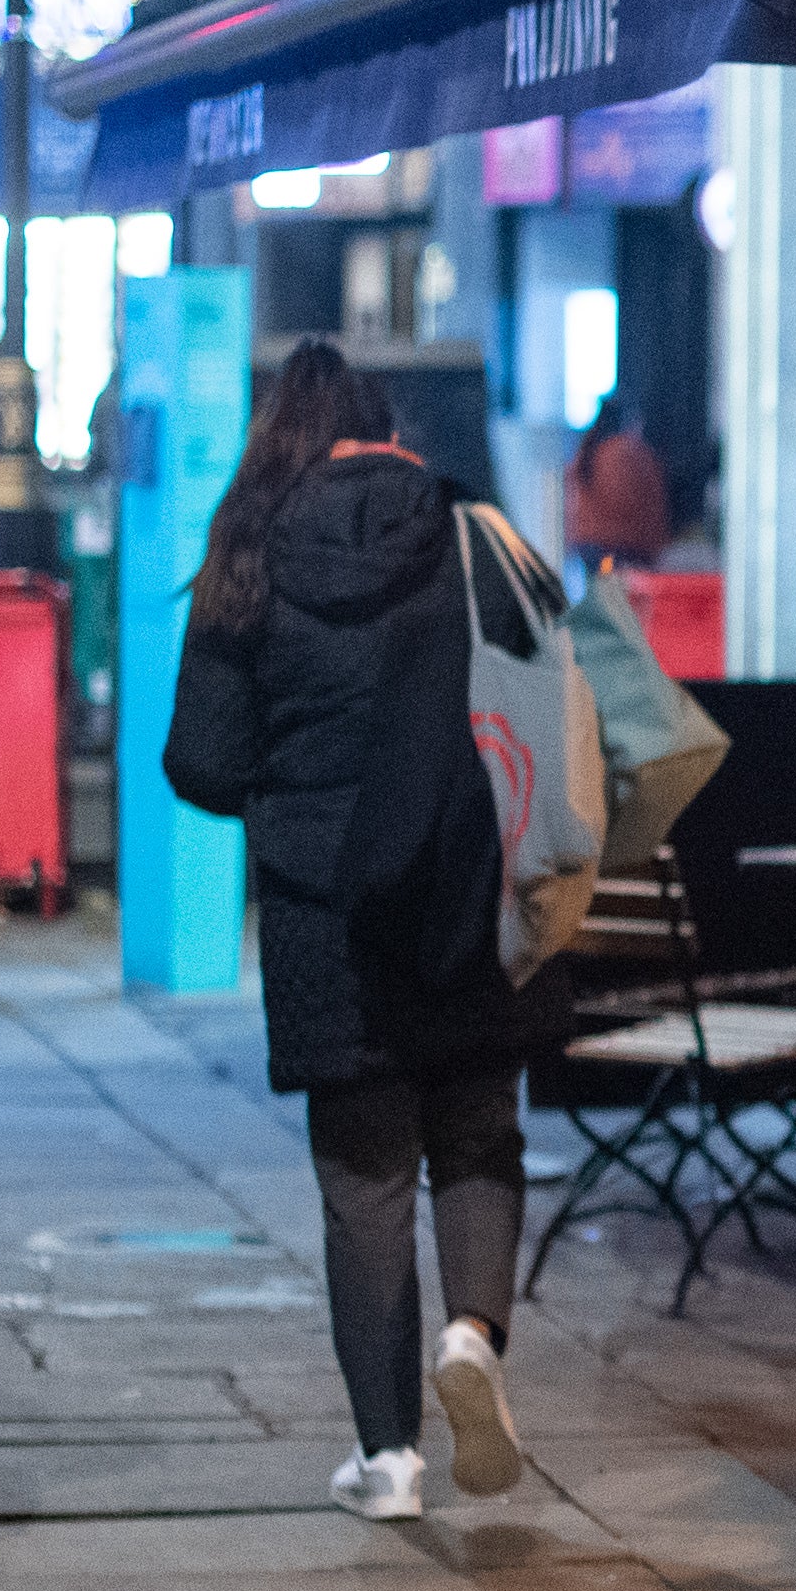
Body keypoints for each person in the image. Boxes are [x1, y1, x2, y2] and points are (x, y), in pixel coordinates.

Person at [162, 338, 553, 1519]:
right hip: (470, 882)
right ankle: (474, 1337)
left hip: (324, 907)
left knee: (364, 1172)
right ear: (385, 426)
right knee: (478, 1132)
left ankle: (387, 1458)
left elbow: (199, 759)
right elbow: (549, 688)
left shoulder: (248, 552)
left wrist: (293, 794)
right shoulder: (476, 535)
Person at [561, 400, 671, 576]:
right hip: (623, 549)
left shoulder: (589, 450)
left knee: (600, 597)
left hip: (588, 547)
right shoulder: (627, 452)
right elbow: (644, 507)